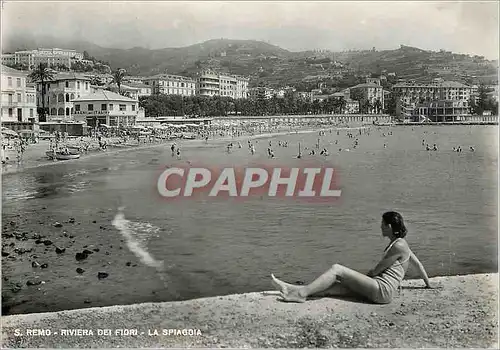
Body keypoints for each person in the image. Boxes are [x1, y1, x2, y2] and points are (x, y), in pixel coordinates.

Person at [271, 211, 432, 304]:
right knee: (335, 287)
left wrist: (355, 277)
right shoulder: (401, 244)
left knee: (337, 270)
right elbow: (418, 266)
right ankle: (292, 289)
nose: (380, 226)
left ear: (389, 227)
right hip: (382, 291)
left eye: (382, 224)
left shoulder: (399, 246)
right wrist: (428, 284)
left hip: (382, 290)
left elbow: (376, 271)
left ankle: (300, 295)